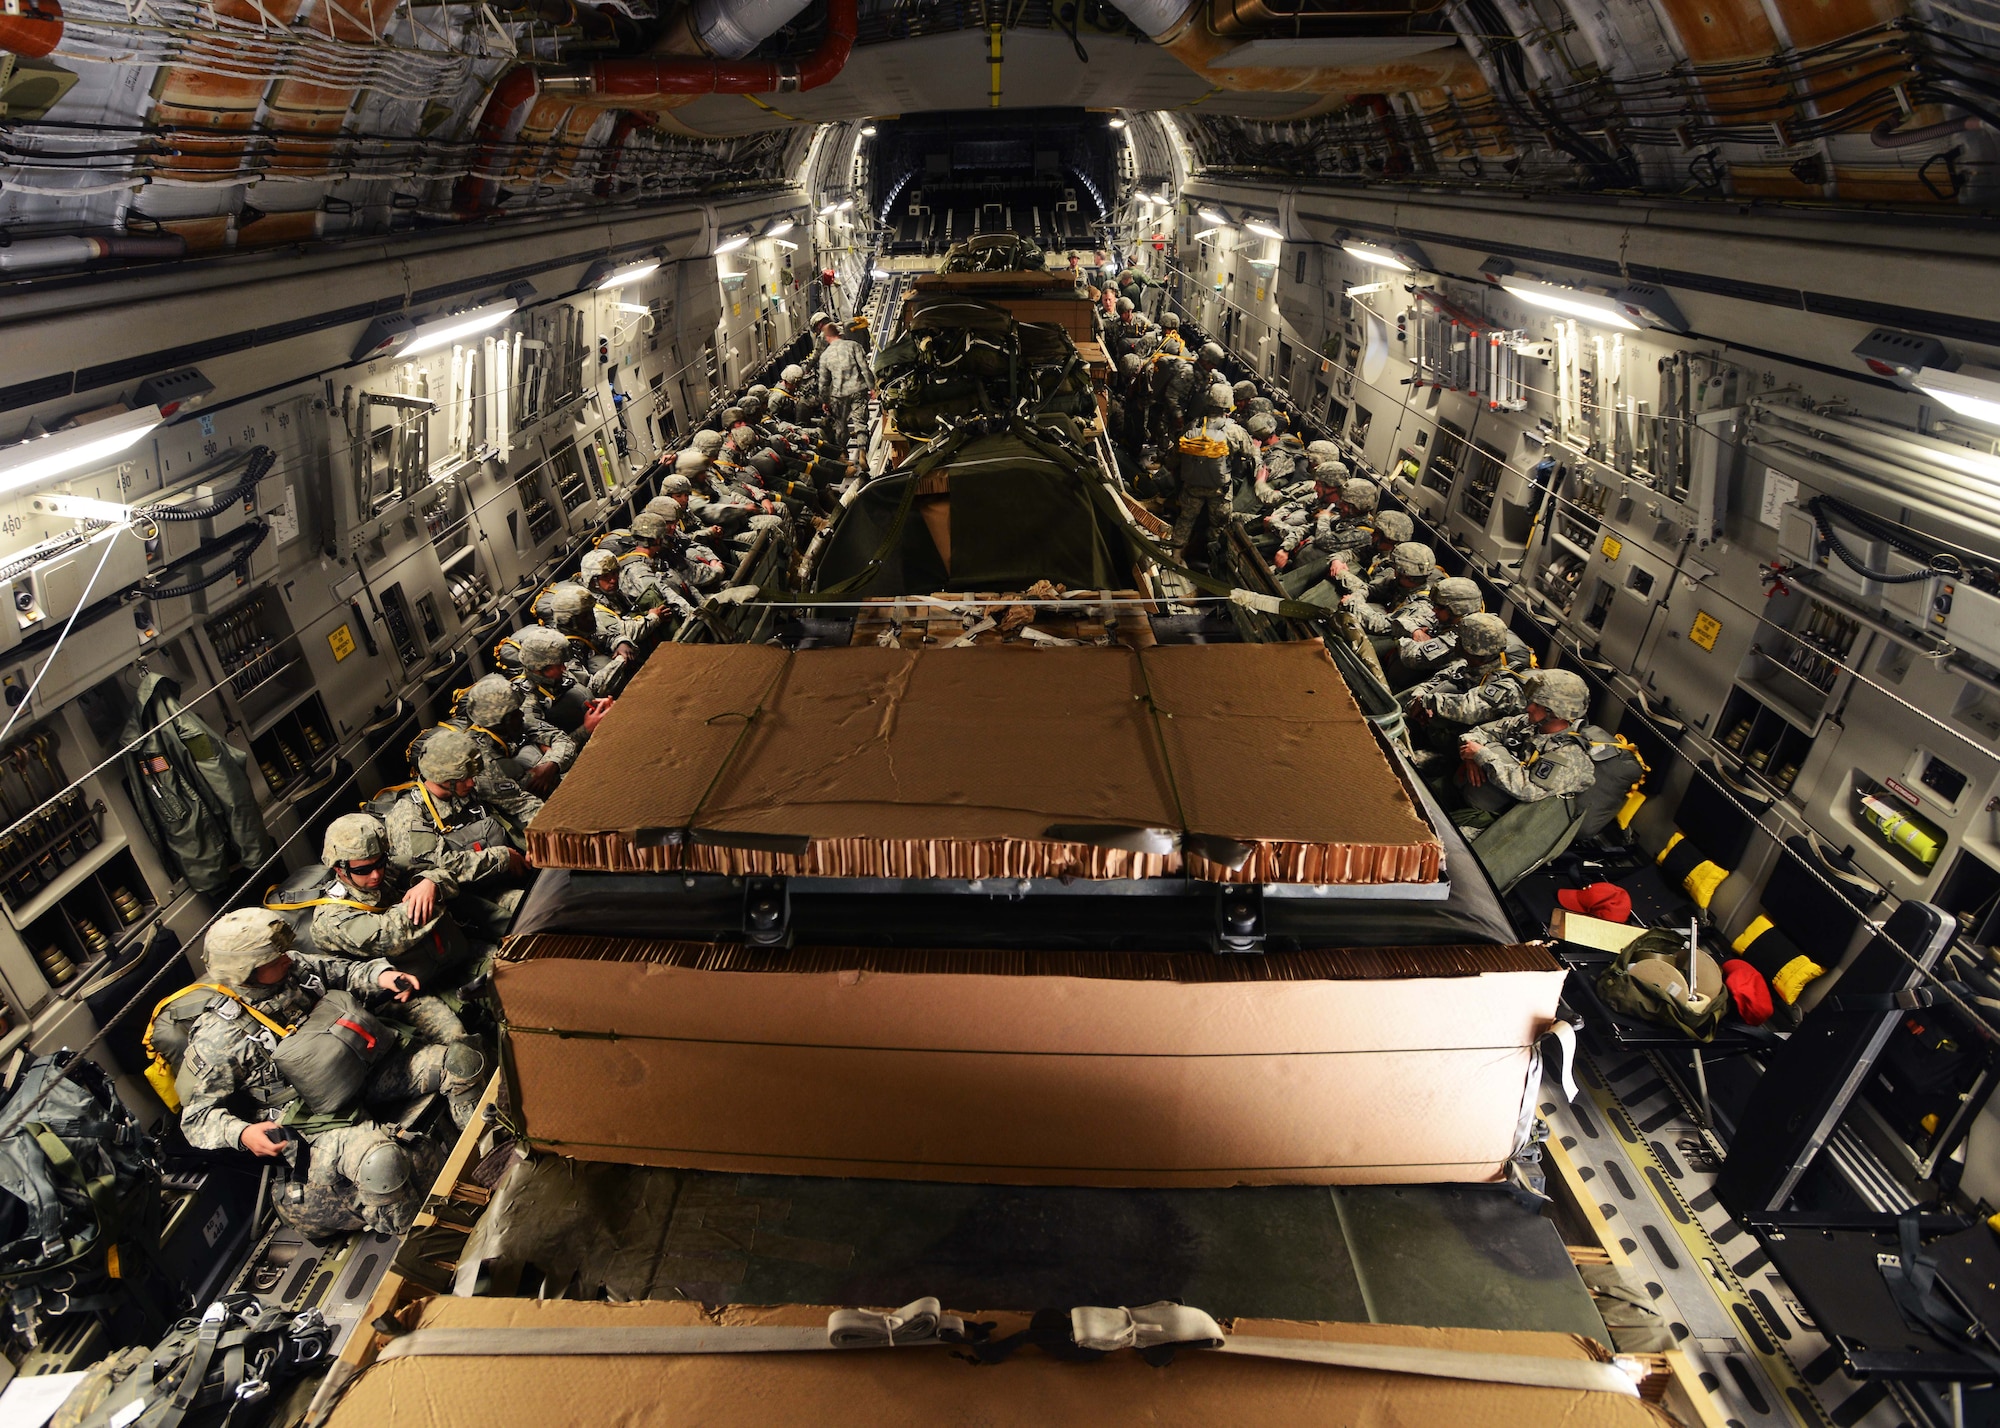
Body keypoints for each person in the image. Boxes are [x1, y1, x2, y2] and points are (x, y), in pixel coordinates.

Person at [177, 909, 486, 1239]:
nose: (283, 958)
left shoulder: (293, 967)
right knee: (380, 1162)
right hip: (311, 1115)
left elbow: (344, 972)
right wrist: (242, 1133)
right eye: (271, 958)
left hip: (361, 1069)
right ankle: (425, 1238)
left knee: (462, 1064)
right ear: (245, 973)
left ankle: (484, 1160)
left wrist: (381, 976)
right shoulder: (218, 1036)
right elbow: (196, 1119)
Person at [382, 729, 531, 937]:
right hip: (471, 900)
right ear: (441, 777)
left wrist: (538, 836)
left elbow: (523, 803)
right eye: (463, 778)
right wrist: (502, 856)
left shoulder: (469, 786)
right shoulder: (408, 816)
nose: (471, 782)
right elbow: (437, 867)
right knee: (538, 913)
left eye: (470, 776)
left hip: (507, 877)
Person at [312, 813, 485, 990]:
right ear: (339, 869)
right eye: (364, 870)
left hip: (452, 957)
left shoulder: (391, 869)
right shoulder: (331, 916)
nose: (376, 875)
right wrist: (433, 894)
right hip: (410, 990)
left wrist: (430, 882)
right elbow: (389, 937)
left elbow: (445, 871)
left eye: (380, 863)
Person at [1448, 669, 1595, 829]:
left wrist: (1481, 755)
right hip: (1480, 796)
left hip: (1507, 824)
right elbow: (1479, 733)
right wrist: (1471, 758)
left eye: (1537, 705)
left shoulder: (1569, 755)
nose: (1529, 708)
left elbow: (1527, 790)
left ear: (1555, 713)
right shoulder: (1528, 723)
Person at [426, 672, 570, 812]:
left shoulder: (515, 723)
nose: (521, 714)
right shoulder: (482, 761)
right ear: (501, 721)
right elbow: (521, 804)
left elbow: (562, 739)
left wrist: (550, 764)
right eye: (515, 712)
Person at [1404, 613, 1529, 753]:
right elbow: (1432, 683)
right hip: (1431, 732)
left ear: (1472, 647)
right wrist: (1419, 698)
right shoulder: (1464, 665)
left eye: (1461, 639)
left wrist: (1427, 701)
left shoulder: (1505, 688)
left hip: (1455, 752)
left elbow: (1468, 708)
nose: (1456, 640)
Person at [1169, 383, 1237, 565]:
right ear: (1228, 405)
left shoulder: (1193, 425)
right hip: (1219, 490)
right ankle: (1212, 561)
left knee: (1186, 519)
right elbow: (1248, 453)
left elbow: (1177, 454)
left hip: (1192, 487)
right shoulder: (1233, 430)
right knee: (1219, 525)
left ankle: (1175, 555)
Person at [504, 624, 610, 738]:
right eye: (558, 666)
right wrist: (586, 729)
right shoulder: (527, 704)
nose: (564, 669)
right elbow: (554, 751)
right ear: (540, 669)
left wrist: (596, 703)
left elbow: (590, 684)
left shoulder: (557, 674)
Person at [816, 316, 873, 457]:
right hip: (858, 389)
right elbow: (865, 369)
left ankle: (844, 455)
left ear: (827, 338)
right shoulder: (854, 346)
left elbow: (823, 383)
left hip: (838, 395)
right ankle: (862, 453)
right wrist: (873, 388)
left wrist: (825, 401)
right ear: (839, 333)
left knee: (840, 425)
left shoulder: (825, 356)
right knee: (860, 422)